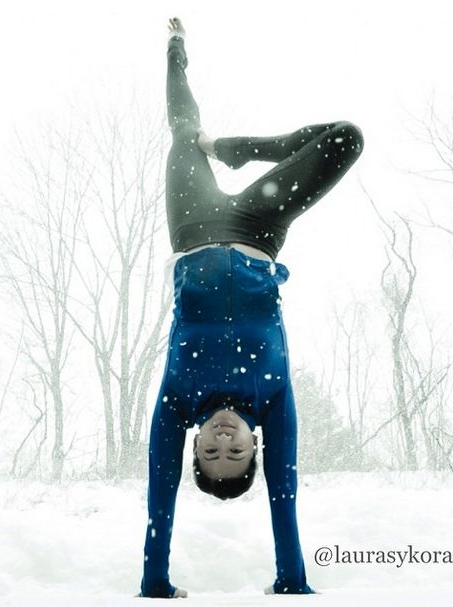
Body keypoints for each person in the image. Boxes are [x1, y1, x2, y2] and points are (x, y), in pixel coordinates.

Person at [139, 17, 363, 599]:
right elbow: (283, 498)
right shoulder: (274, 405)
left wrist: (154, 581)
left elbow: (159, 492)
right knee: (346, 138)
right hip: (259, 232)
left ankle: (176, 53)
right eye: (234, 452)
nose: (222, 438)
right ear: (253, 447)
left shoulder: (177, 401)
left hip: (191, 226)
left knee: (185, 132)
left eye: (209, 451)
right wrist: (293, 581)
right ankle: (239, 152)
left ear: (192, 444)